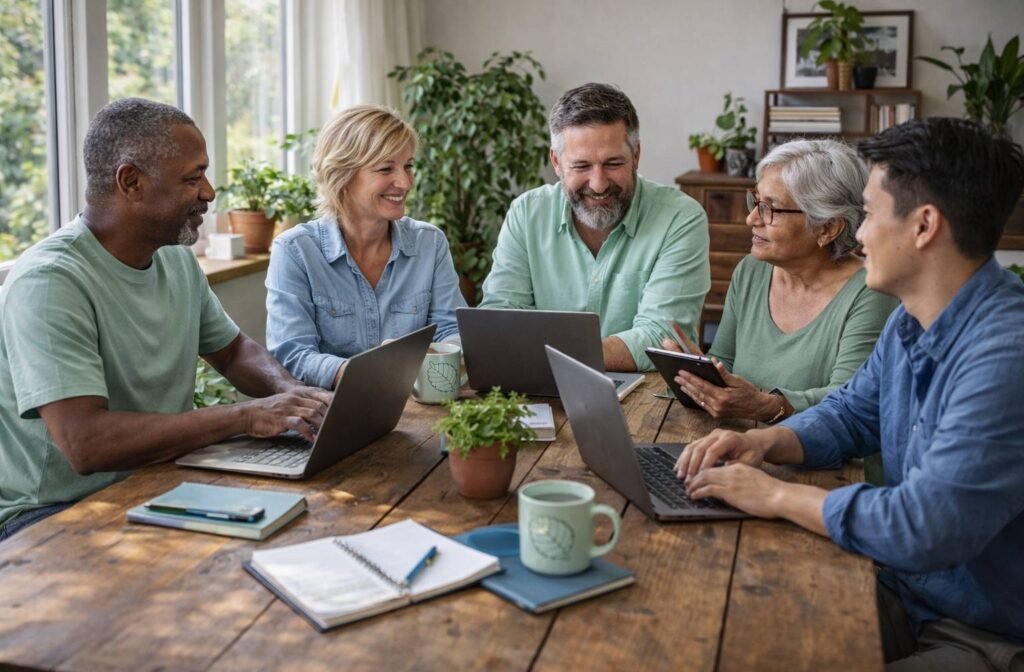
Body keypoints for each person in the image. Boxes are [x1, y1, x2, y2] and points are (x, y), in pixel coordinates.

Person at [676, 118, 1024, 672]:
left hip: (985, 634)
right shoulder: (911, 318)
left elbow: (924, 526)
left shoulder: (1005, 357)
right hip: (898, 585)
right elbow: (851, 414)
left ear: (924, 226)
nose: (857, 235)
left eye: (869, 213)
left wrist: (776, 496)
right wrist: (764, 442)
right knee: (731, 636)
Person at [0, 98, 332, 541]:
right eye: (192, 178)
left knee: (308, 524)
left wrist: (291, 393)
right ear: (131, 182)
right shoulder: (49, 282)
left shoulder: (174, 257)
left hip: (155, 481)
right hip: (50, 513)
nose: (209, 192)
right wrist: (246, 416)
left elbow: (233, 352)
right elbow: (86, 443)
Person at [663, 140, 898, 423]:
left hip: (816, 450)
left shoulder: (871, 292)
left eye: (770, 208)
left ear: (827, 227)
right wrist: (697, 373)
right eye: (756, 202)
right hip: (737, 440)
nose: (751, 218)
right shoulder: (751, 271)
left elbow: (849, 402)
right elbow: (725, 361)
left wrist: (769, 406)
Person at [479, 83, 710, 372]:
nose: (598, 184)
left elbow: (661, 337)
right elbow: (500, 318)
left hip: (646, 391)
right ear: (556, 162)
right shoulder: (526, 213)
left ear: (636, 155)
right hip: (540, 385)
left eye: (613, 163)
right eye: (581, 166)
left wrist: (540, 353)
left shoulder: (680, 218)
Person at [266, 105, 465, 390]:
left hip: (416, 406)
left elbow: (452, 329)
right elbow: (293, 355)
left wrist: (428, 357)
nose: (405, 182)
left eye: (408, 166)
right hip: (329, 410)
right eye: (386, 168)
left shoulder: (429, 243)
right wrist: (374, 371)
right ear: (342, 175)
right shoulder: (295, 251)